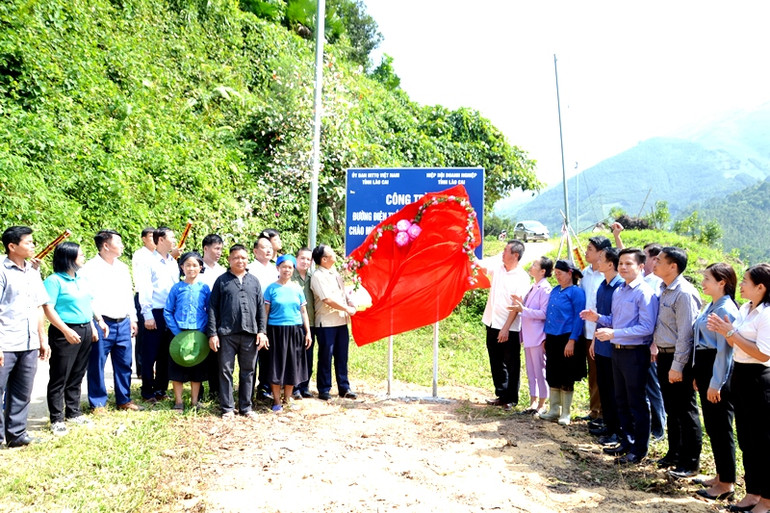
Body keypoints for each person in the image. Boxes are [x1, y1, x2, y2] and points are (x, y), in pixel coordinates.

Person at [707, 264, 770, 513]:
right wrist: (726, 332)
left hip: (759, 378)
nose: (741, 285)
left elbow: (763, 353)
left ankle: (767, 499)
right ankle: (753, 492)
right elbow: (736, 341)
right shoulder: (746, 308)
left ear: (761, 287)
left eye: (745, 281)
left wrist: (729, 332)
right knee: (747, 438)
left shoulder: (766, 314)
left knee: (763, 441)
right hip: (741, 374)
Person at [588, 248, 658, 465]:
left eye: (629, 264)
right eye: (621, 264)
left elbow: (646, 328)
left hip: (635, 353)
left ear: (640, 267)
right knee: (622, 399)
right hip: (617, 351)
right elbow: (616, 320)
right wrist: (599, 317)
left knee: (636, 402)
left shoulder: (644, 293)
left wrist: (614, 333)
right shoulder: (620, 291)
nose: (624, 267)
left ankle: (639, 449)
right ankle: (626, 441)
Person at [42, 242, 104, 435]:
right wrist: (66, 330)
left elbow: (88, 303)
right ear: (68, 258)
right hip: (64, 332)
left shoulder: (81, 279)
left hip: (85, 329)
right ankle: (56, 418)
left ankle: (73, 412)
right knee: (60, 375)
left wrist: (94, 324)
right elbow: (48, 308)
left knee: (77, 373)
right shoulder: (54, 281)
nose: (84, 257)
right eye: (81, 255)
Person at [652, 247, 703, 478]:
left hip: (678, 357)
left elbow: (686, 334)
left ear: (673, 266)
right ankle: (674, 453)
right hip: (664, 355)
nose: (654, 262)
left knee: (685, 409)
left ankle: (690, 461)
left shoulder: (683, 293)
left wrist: (677, 365)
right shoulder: (664, 289)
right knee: (672, 408)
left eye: (660, 260)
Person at [0, 226, 51, 448]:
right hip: (5, 340)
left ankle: (17, 434)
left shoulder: (32, 271)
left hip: (28, 341)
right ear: (12, 246)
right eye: (28, 242)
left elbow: (39, 306)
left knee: (22, 391)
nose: (33, 246)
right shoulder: (1, 270)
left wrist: (42, 338)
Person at [80, 230, 141, 412]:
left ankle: (124, 399)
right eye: (119, 242)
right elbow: (87, 298)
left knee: (124, 362)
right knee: (97, 362)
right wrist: (97, 319)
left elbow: (128, 294)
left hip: (122, 321)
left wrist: (133, 318)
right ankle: (98, 402)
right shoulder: (90, 268)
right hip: (102, 322)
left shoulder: (122, 268)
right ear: (106, 246)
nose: (122, 246)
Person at [692, 263, 739, 501]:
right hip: (705, 367)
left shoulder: (726, 309)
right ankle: (720, 475)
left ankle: (727, 483)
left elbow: (724, 352)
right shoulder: (713, 305)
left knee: (721, 427)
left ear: (722, 282)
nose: (703, 281)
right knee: (713, 425)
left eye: (708, 278)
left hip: (716, 369)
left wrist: (716, 382)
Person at [207, 244, 268, 420]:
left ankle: (246, 407)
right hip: (226, 333)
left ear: (247, 259)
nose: (239, 261)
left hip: (250, 333)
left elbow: (260, 309)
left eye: (243, 257)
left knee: (248, 370)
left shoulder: (254, 281)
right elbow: (212, 308)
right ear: (229, 260)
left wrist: (262, 331)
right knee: (225, 370)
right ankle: (227, 408)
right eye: (236, 258)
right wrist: (213, 333)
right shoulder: (221, 281)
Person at [477, 240, 531, 409]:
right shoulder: (499, 269)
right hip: (492, 321)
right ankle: (501, 393)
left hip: (510, 327)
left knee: (511, 362)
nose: (502, 253)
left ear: (515, 255)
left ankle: (511, 398)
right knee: (495, 360)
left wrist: (506, 328)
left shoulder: (522, 277)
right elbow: (480, 266)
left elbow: (516, 306)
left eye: (506, 250)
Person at [539, 260, 585, 425]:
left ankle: (565, 412)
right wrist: (546, 336)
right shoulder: (556, 290)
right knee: (552, 372)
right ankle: (553, 409)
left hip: (567, 337)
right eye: (556, 273)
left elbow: (579, 318)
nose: (557, 276)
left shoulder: (576, 292)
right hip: (552, 337)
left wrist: (572, 340)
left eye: (560, 273)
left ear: (570, 273)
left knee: (566, 374)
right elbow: (550, 315)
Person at [586, 247, 624, 446]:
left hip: (614, 346)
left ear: (610, 264)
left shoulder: (619, 287)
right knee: (604, 388)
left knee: (614, 390)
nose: (597, 262)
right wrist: (593, 340)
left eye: (601, 259)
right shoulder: (603, 285)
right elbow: (598, 318)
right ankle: (608, 425)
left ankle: (616, 431)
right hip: (600, 344)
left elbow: (616, 319)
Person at [264, 254, 312, 412]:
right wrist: (263, 332)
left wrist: (308, 332)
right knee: (276, 365)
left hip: (295, 330)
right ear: (278, 268)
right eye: (284, 267)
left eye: (290, 267)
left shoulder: (298, 288)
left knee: (293, 364)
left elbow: (303, 311)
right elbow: (265, 312)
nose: (287, 270)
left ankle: (288, 398)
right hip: (275, 331)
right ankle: (276, 401)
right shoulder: (271, 289)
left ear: (293, 269)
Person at [164, 252, 210, 411]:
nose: (191, 268)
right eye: (187, 265)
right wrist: (176, 331)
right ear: (182, 267)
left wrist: (203, 330)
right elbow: (168, 311)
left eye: (195, 265)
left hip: (198, 333)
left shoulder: (204, 288)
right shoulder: (177, 288)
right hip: (178, 333)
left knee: (196, 368)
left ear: (200, 267)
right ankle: (178, 401)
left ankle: (194, 401)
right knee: (177, 367)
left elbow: (209, 310)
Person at [137, 226, 178, 403]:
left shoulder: (173, 262)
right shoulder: (148, 261)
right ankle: (147, 391)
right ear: (160, 239)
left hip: (171, 312)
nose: (174, 240)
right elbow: (145, 288)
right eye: (171, 237)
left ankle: (161, 388)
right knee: (150, 353)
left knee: (165, 354)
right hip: (155, 311)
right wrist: (147, 314)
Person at [310, 244, 357, 401]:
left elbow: (343, 293)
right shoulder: (317, 276)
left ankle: (344, 387)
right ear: (324, 259)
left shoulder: (335, 273)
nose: (334, 255)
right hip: (326, 323)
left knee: (342, 356)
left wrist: (350, 303)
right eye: (331, 254)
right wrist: (346, 308)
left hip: (341, 320)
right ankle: (324, 389)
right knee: (326, 356)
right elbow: (327, 299)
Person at [510, 257, 553, 414]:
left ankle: (542, 403)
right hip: (529, 335)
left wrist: (523, 310)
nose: (531, 266)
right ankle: (533, 400)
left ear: (543, 271)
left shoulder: (545, 289)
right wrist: (522, 303)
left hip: (538, 335)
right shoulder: (533, 286)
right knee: (531, 370)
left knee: (540, 370)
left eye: (535, 265)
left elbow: (544, 313)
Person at [580, 236, 613, 423]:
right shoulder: (585, 273)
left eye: (590, 249)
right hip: (587, 330)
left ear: (601, 253)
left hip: (603, 331)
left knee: (605, 374)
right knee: (593, 373)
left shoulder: (608, 275)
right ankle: (594, 410)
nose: (586, 252)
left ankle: (605, 413)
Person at [248, 234, 277, 401]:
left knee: (268, 355)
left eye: (270, 248)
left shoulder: (275, 269)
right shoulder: (250, 269)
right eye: (264, 247)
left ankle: (264, 387)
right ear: (255, 251)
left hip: (272, 318)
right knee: (252, 356)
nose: (268, 250)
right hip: (253, 317)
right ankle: (248, 390)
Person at [643, 242, 666, 441]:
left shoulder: (657, 283)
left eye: (646, 256)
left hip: (653, 344)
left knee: (653, 386)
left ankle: (659, 428)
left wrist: (654, 344)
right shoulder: (646, 279)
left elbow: (659, 317)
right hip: (643, 342)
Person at [199, 233, 226, 402]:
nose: (219, 252)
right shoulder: (196, 267)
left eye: (221, 249)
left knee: (217, 356)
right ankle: (199, 392)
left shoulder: (223, 271)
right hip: (200, 318)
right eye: (216, 248)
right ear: (205, 248)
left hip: (218, 318)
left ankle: (215, 391)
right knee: (200, 355)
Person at [291, 247, 315, 399]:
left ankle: (305, 386)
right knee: (295, 356)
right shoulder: (289, 275)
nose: (305, 261)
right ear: (296, 259)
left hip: (311, 322)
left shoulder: (312, 278)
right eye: (302, 258)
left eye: (308, 259)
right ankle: (294, 386)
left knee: (308, 356)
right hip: (293, 323)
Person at [131, 226, 155, 378]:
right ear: (144, 239)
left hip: (156, 298)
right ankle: (141, 368)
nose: (154, 240)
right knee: (142, 334)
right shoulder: (141, 255)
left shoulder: (159, 255)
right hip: (142, 296)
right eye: (151, 236)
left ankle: (152, 366)